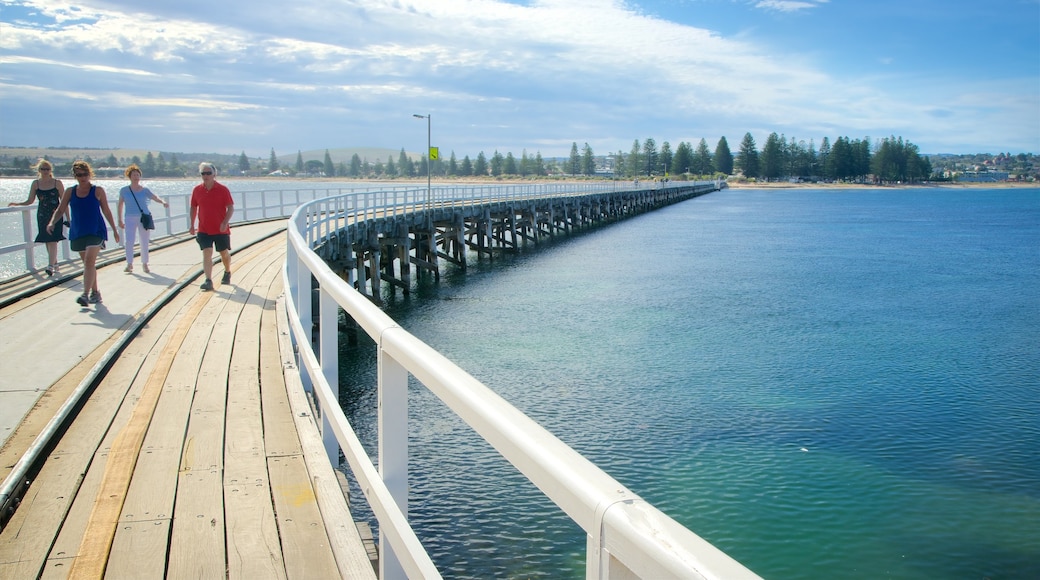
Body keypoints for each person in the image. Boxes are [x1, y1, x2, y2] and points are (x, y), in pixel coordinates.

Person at [47, 160, 120, 307]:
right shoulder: (70, 192)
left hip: (95, 231)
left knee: (89, 262)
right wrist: (51, 222)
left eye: (85, 174)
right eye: (79, 175)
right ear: (75, 176)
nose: (83, 177)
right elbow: (60, 210)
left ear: (89, 173)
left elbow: (106, 210)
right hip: (78, 231)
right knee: (88, 265)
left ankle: (85, 295)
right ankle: (95, 292)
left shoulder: (97, 190)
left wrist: (114, 230)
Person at [8, 159, 68, 276]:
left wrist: (68, 218)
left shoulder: (57, 183)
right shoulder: (36, 183)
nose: (45, 171)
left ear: (51, 170)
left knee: (53, 240)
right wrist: (18, 204)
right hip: (42, 215)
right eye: (43, 169)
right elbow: (30, 200)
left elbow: (64, 201)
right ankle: (54, 263)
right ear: (39, 170)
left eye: (47, 169)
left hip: (56, 215)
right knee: (46, 240)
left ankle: (50, 266)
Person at [189, 162, 233, 291]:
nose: (206, 175)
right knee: (207, 252)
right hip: (204, 228)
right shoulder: (197, 190)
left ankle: (227, 271)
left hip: (220, 229)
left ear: (214, 174)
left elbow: (230, 208)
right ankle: (208, 280)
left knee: (223, 253)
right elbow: (193, 207)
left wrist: (225, 222)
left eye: (208, 173)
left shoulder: (223, 189)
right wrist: (192, 225)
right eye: (203, 173)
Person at [117, 164, 168, 274]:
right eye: (134, 175)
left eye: (138, 175)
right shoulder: (124, 190)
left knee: (144, 241)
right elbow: (120, 204)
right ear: (129, 176)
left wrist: (163, 202)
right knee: (129, 241)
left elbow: (154, 197)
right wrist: (119, 219)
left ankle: (145, 264)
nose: (136, 177)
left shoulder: (144, 190)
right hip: (129, 217)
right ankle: (129, 264)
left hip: (143, 217)